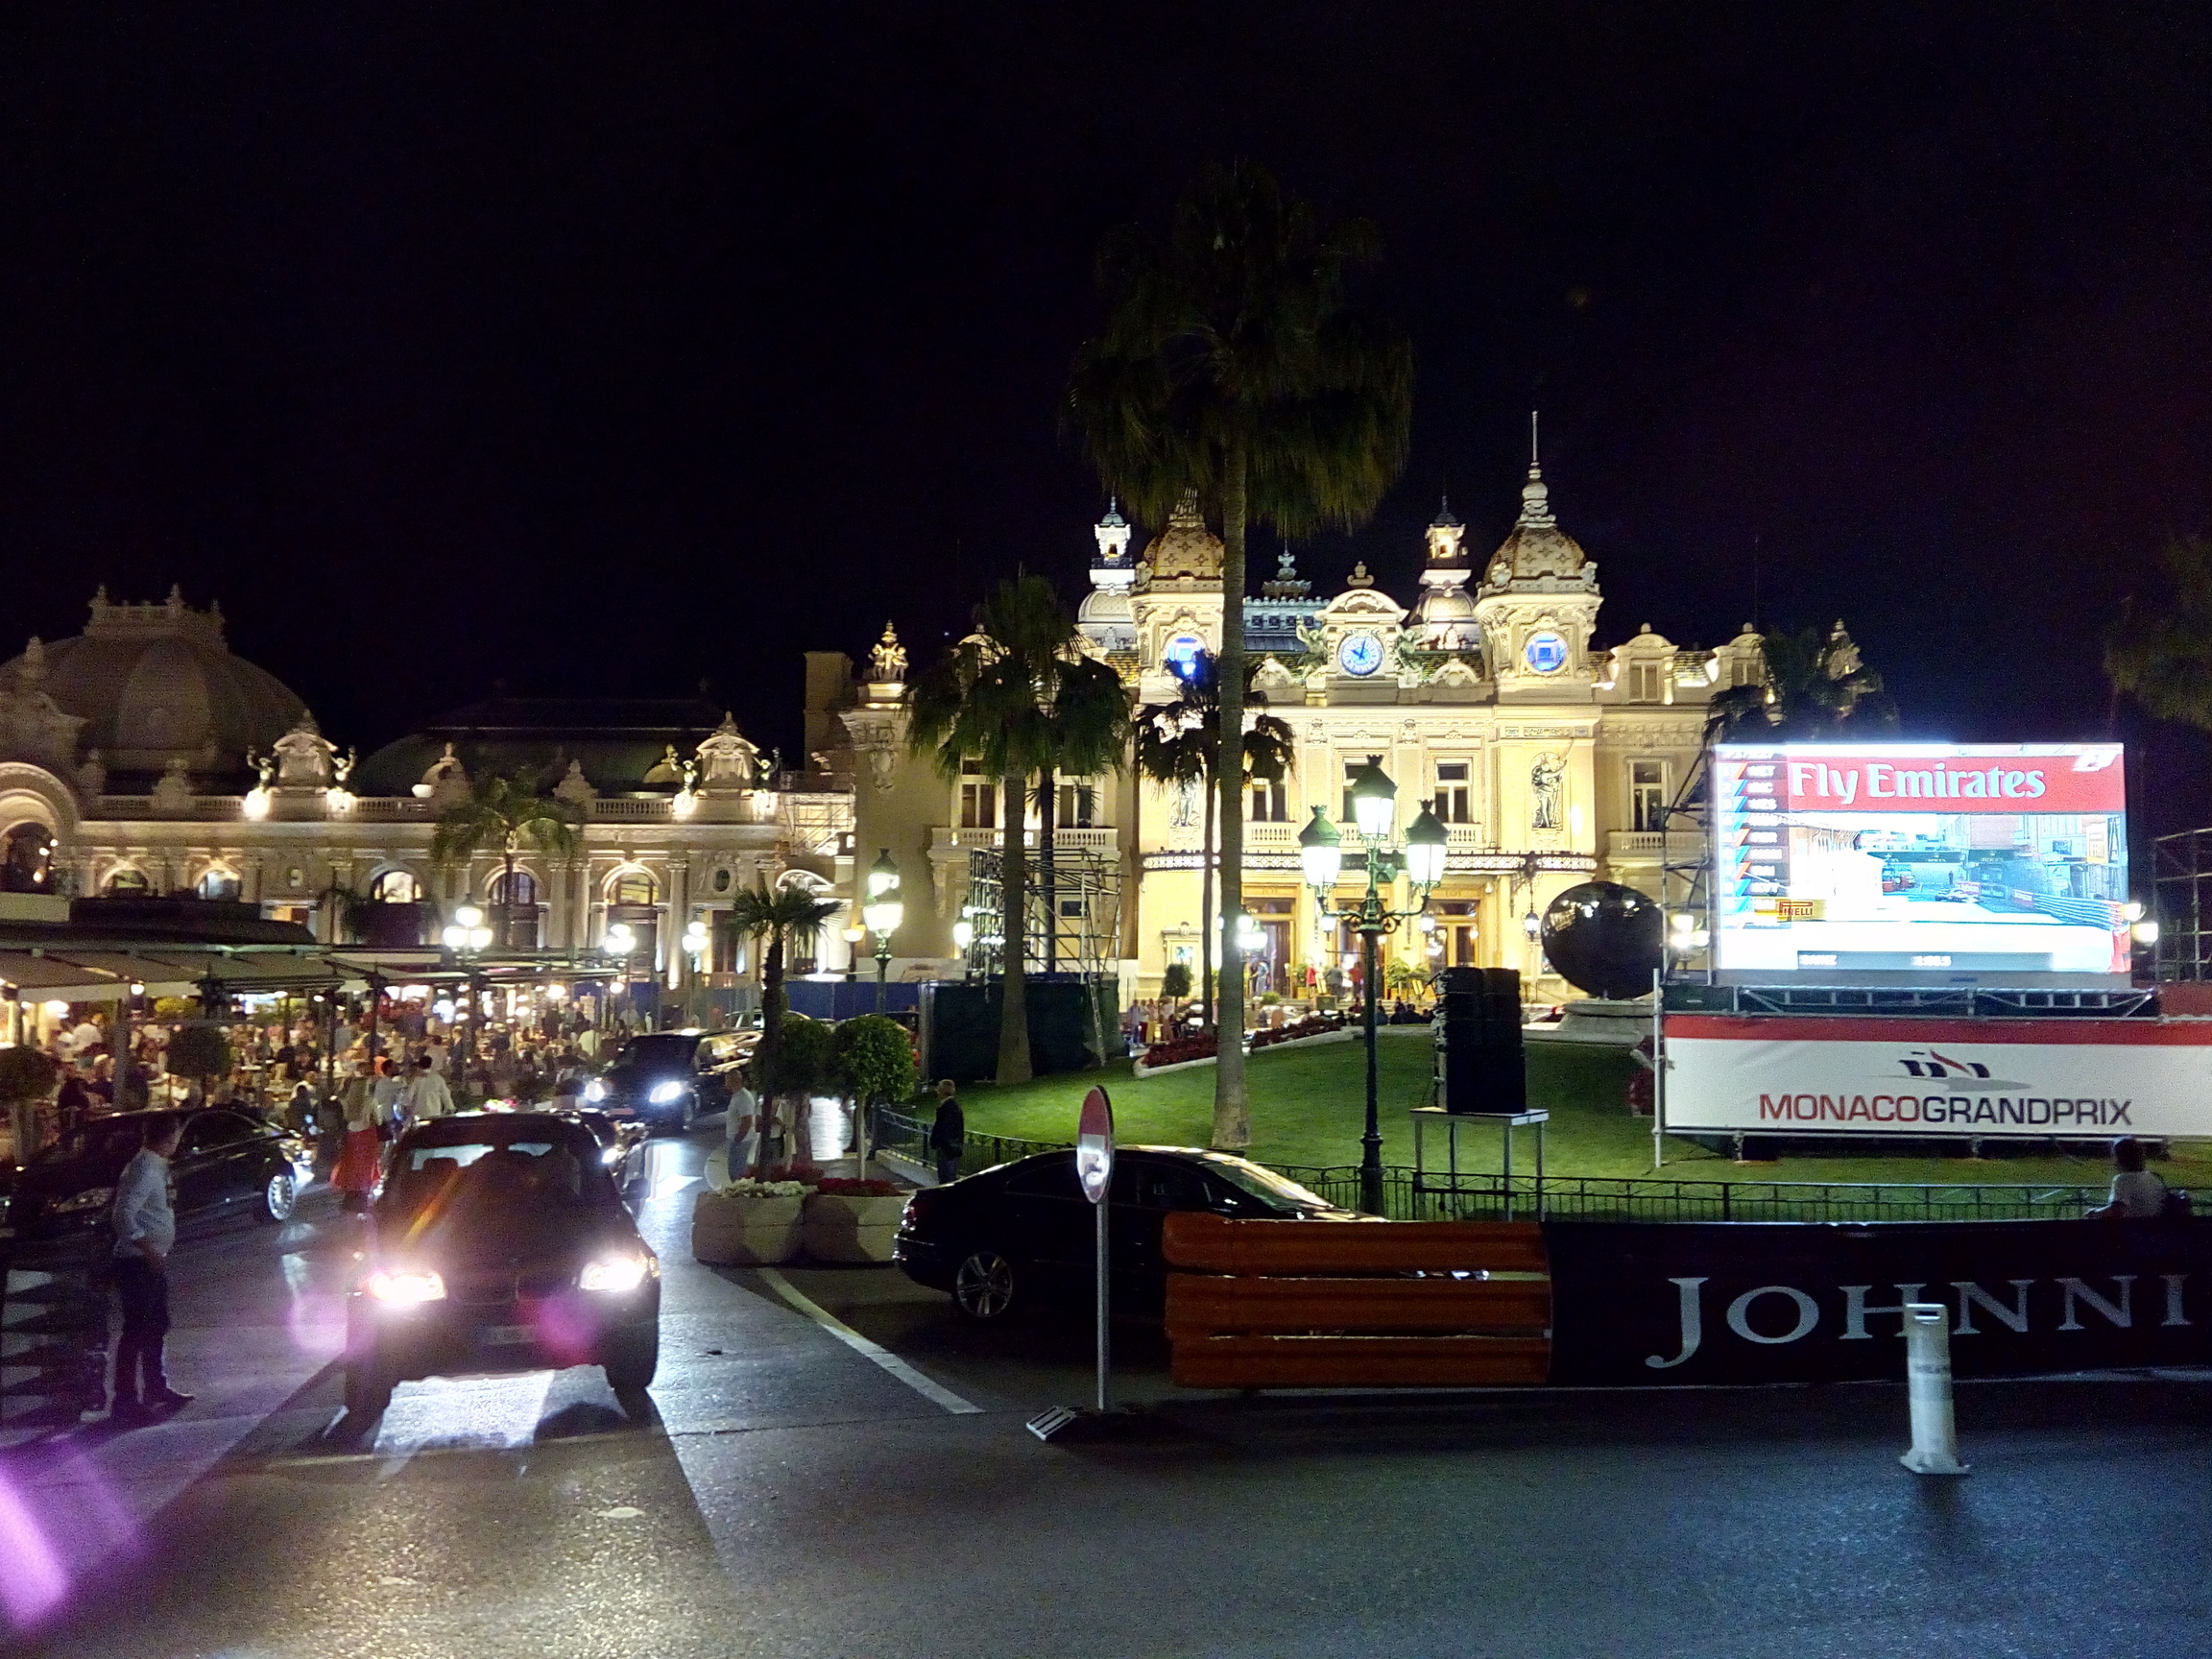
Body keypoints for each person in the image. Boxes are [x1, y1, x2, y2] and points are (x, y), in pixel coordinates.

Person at [109, 1116, 192, 1422]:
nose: (178, 1141)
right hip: (137, 1262)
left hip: (150, 1260)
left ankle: (156, 1388)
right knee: (137, 1330)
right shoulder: (144, 1168)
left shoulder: (156, 1165)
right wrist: (147, 1248)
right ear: (169, 1137)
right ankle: (125, 1401)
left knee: (156, 1326)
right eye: (176, 1135)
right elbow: (122, 1216)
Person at [332, 1065, 386, 1214]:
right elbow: (379, 1120)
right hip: (367, 1135)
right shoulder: (370, 1101)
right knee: (366, 1166)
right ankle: (363, 1193)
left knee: (352, 1164)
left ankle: (351, 1192)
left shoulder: (346, 1101)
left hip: (351, 1135)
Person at [2089, 1137, 2169, 1218]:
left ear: (2120, 1159)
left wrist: (2094, 1213)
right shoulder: (2154, 1177)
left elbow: (2116, 1210)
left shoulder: (2123, 1180)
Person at [400, 1054, 455, 1124]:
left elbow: (408, 1098)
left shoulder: (416, 1080)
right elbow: (446, 1096)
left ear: (419, 1065)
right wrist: (450, 1107)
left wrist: (405, 1108)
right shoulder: (438, 1079)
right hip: (435, 1114)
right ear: (431, 1064)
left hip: (419, 1115)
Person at [726, 1070, 759, 1183]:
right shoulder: (737, 1096)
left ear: (733, 1081)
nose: (726, 1083)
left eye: (727, 1080)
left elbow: (747, 1120)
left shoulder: (743, 1097)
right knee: (734, 1170)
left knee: (737, 1171)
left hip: (741, 1141)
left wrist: (738, 1138)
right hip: (737, 1139)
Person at [929, 1079, 964, 1187]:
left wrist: (939, 1143)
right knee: (947, 1178)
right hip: (950, 1148)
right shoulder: (951, 1106)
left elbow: (944, 1128)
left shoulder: (948, 1108)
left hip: (947, 1149)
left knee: (946, 1179)